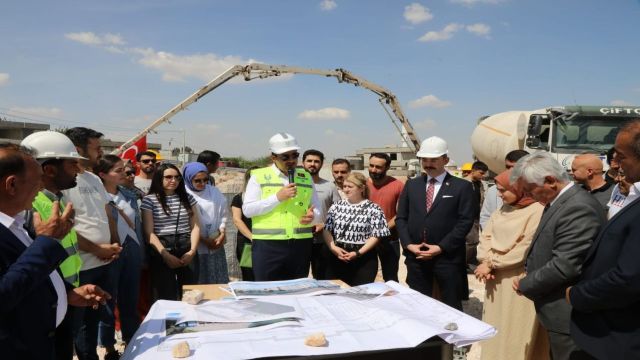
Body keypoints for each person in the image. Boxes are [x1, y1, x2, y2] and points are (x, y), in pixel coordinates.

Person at [0, 143, 110, 360]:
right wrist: (47, 241)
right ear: (12, 185)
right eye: (36, 182)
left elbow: (24, 272)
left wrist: (65, 293)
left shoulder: (17, 222)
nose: (41, 189)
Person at [511, 152, 605, 360]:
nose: (528, 196)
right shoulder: (560, 202)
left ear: (550, 181)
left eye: (530, 190)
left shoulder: (577, 207)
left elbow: (566, 265)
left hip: (569, 313)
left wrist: (527, 283)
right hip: (557, 310)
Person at [569, 120, 640, 359]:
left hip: (621, 336)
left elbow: (629, 278)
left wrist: (577, 295)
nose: (617, 164)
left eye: (621, 156)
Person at [21, 131, 86, 360]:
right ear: (49, 169)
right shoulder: (30, 207)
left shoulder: (57, 199)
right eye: (72, 164)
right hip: (44, 306)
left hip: (65, 295)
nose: (78, 169)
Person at [474, 169, 547, 360]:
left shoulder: (537, 210)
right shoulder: (504, 208)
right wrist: (485, 261)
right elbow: (486, 235)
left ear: (520, 188)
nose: (499, 194)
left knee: (515, 328)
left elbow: (525, 247)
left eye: (503, 190)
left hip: (515, 279)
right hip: (494, 278)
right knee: (495, 324)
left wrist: (492, 263)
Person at [396, 136, 475, 310]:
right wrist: (409, 245)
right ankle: (424, 336)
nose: (428, 164)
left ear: (445, 159)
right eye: (425, 159)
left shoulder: (461, 187)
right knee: (418, 302)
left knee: (450, 304)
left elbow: (465, 221)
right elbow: (401, 218)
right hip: (416, 256)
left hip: (447, 257)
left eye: (434, 160)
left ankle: (450, 336)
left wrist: (440, 247)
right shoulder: (412, 186)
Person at [63, 127, 121, 360]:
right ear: (78, 150)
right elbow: (66, 228)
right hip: (81, 266)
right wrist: (98, 248)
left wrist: (114, 243)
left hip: (104, 262)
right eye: (96, 148)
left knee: (96, 317)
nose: (101, 153)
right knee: (77, 326)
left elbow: (106, 214)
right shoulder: (65, 182)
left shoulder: (94, 178)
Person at [242, 133, 321, 281]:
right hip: (268, 245)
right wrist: (277, 198)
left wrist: (313, 217)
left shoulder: (306, 176)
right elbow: (248, 210)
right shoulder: (258, 176)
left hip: (300, 245)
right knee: (267, 291)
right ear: (273, 157)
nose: (291, 160)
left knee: (296, 291)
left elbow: (317, 208)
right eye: (285, 157)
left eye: (295, 155)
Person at [95, 155, 143, 347]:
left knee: (130, 297)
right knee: (108, 300)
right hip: (109, 251)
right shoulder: (96, 197)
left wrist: (142, 254)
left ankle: (130, 338)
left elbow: (137, 226)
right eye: (118, 170)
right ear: (103, 175)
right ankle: (106, 345)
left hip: (132, 249)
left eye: (124, 169)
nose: (125, 173)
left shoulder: (130, 195)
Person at [141, 164, 200, 301]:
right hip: (162, 248)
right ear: (159, 178)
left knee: (190, 292)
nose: (173, 180)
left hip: (186, 246)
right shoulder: (149, 200)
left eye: (177, 177)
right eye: (168, 177)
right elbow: (149, 232)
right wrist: (165, 255)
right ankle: (167, 322)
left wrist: (192, 252)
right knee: (164, 294)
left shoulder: (188, 198)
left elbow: (195, 227)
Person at [323, 173, 390, 285]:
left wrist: (358, 253)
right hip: (338, 255)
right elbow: (327, 229)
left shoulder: (374, 208)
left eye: (350, 187)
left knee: (360, 296)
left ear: (362, 188)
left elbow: (377, 235)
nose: (346, 189)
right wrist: (334, 248)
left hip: (363, 258)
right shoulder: (336, 206)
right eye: (344, 186)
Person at [183, 162, 229, 284]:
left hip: (216, 243)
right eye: (197, 181)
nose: (202, 184)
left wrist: (222, 233)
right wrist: (203, 239)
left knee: (218, 280)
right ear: (188, 179)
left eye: (205, 180)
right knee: (198, 282)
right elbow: (185, 221)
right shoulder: (183, 194)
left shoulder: (214, 192)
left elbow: (223, 214)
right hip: (195, 247)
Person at [367, 152, 404, 282]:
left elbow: (400, 213)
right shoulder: (362, 185)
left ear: (387, 167)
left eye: (378, 167)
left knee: (390, 278)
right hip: (365, 239)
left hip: (390, 239)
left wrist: (381, 230)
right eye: (371, 165)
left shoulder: (398, 185)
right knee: (366, 276)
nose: (373, 169)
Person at [303, 149, 340, 280]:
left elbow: (338, 212)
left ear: (322, 164)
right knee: (297, 279)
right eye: (309, 161)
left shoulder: (330, 186)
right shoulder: (294, 185)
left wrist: (324, 224)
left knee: (323, 279)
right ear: (303, 163)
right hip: (299, 241)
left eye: (316, 161)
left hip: (322, 241)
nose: (312, 164)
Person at [480, 150, 529, 230]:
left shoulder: (537, 193)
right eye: (508, 167)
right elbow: (485, 217)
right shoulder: (493, 191)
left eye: (515, 167)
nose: (511, 171)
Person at [231, 167, 257, 281]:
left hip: (267, 241)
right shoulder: (239, 198)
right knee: (248, 275)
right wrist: (252, 237)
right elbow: (237, 220)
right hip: (247, 243)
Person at [464, 160, 488, 270]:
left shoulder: (481, 184)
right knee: (471, 241)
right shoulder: (464, 183)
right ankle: (465, 262)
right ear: (473, 171)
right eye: (481, 173)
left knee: (474, 241)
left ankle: (469, 261)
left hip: (477, 216)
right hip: (466, 217)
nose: (483, 176)